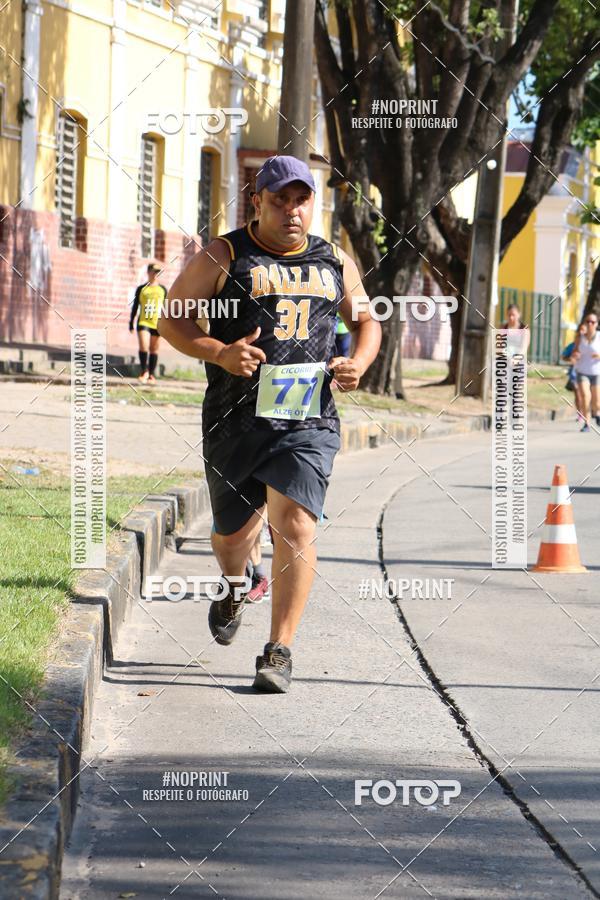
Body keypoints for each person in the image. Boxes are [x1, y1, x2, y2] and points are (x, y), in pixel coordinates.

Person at [159, 155, 381, 693]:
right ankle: (235, 583)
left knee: (296, 523)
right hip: (235, 420)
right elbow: (171, 318)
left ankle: (279, 650)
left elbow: (366, 320)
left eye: (300, 198)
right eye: (279, 198)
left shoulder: (335, 262)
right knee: (232, 538)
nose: (291, 209)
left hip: (307, 418)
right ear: (256, 201)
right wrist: (218, 352)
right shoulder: (224, 254)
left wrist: (360, 363)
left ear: (312, 203)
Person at [129, 262, 167, 383]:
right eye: (154, 271)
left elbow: (166, 307)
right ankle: (143, 371)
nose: (156, 274)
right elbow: (135, 306)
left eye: (158, 272)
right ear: (148, 272)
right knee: (144, 346)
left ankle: (151, 374)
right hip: (144, 321)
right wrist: (131, 321)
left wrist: (167, 324)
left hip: (157, 322)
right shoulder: (141, 289)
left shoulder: (163, 289)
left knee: (154, 349)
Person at [570, 312, 600, 432]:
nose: (590, 324)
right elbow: (574, 352)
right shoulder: (579, 338)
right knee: (585, 396)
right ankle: (587, 423)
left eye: (593, 322)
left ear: (597, 324)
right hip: (582, 371)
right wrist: (575, 355)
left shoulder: (599, 336)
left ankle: (597, 414)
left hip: (597, 372)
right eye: (588, 321)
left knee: (597, 402)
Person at [562, 323, 586, 424]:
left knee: (585, 393)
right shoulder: (573, 345)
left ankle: (587, 411)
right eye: (579, 330)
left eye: (583, 330)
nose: (581, 332)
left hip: (587, 373)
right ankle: (580, 413)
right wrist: (570, 359)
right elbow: (563, 356)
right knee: (577, 392)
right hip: (574, 373)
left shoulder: (592, 345)